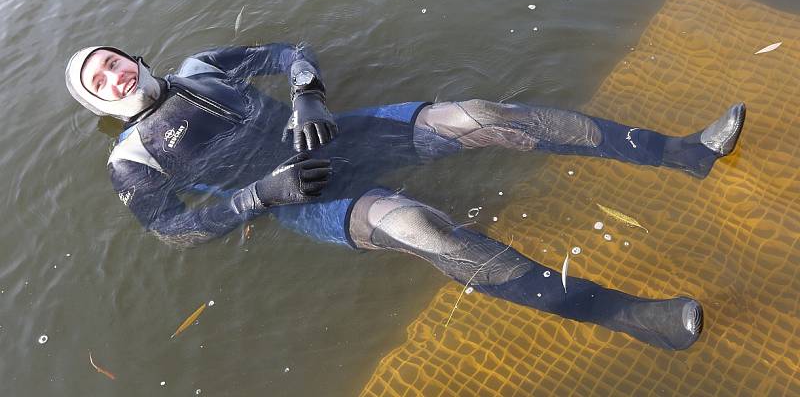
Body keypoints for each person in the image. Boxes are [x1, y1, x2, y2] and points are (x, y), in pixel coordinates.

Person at [65, 43, 746, 351]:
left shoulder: (201, 68)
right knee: (425, 231)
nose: (114, 74)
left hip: (341, 137)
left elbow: (290, 52)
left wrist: (307, 94)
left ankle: (688, 154)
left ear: (133, 56)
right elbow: (173, 233)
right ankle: (635, 319)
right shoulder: (131, 160)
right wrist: (258, 198)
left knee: (480, 114)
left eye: (112, 59)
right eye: (99, 78)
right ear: (96, 99)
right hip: (303, 198)